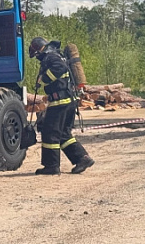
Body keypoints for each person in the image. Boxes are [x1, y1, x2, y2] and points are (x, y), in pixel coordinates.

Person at [29, 36, 95, 175]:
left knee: (49, 132)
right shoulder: (55, 54)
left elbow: (60, 68)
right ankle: (82, 158)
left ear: (40, 49)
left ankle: (51, 166)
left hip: (60, 102)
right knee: (63, 134)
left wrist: (45, 78)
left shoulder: (51, 57)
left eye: (36, 55)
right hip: (67, 101)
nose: (37, 58)